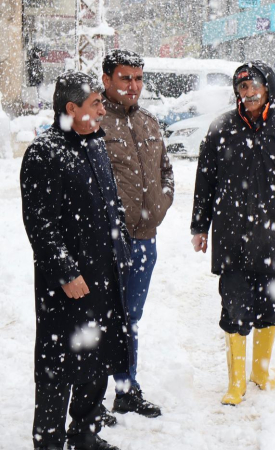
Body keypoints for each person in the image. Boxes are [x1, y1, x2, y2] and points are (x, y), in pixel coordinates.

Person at [191, 61, 275, 406]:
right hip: (232, 240)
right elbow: (205, 182)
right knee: (233, 308)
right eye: (242, 87)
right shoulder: (220, 129)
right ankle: (236, 383)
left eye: (253, 86)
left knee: (271, 306)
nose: (247, 94)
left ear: (268, 88)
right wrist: (199, 226)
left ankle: (260, 372)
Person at [21, 71, 131, 450]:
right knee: (58, 367)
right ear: (71, 108)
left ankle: (85, 434)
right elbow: (40, 224)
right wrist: (66, 272)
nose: (103, 110)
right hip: (66, 286)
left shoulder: (95, 145)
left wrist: (123, 248)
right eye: (95, 104)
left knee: (96, 358)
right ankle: (48, 441)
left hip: (103, 277)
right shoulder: (45, 151)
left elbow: (112, 205)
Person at [99, 49, 172, 419]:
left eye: (139, 78)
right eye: (125, 78)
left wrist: (163, 201)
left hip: (145, 240)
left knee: (130, 319)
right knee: (101, 318)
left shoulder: (149, 122)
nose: (133, 86)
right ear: (107, 79)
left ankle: (126, 390)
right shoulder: (95, 121)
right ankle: (91, 397)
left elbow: (166, 171)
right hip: (107, 243)